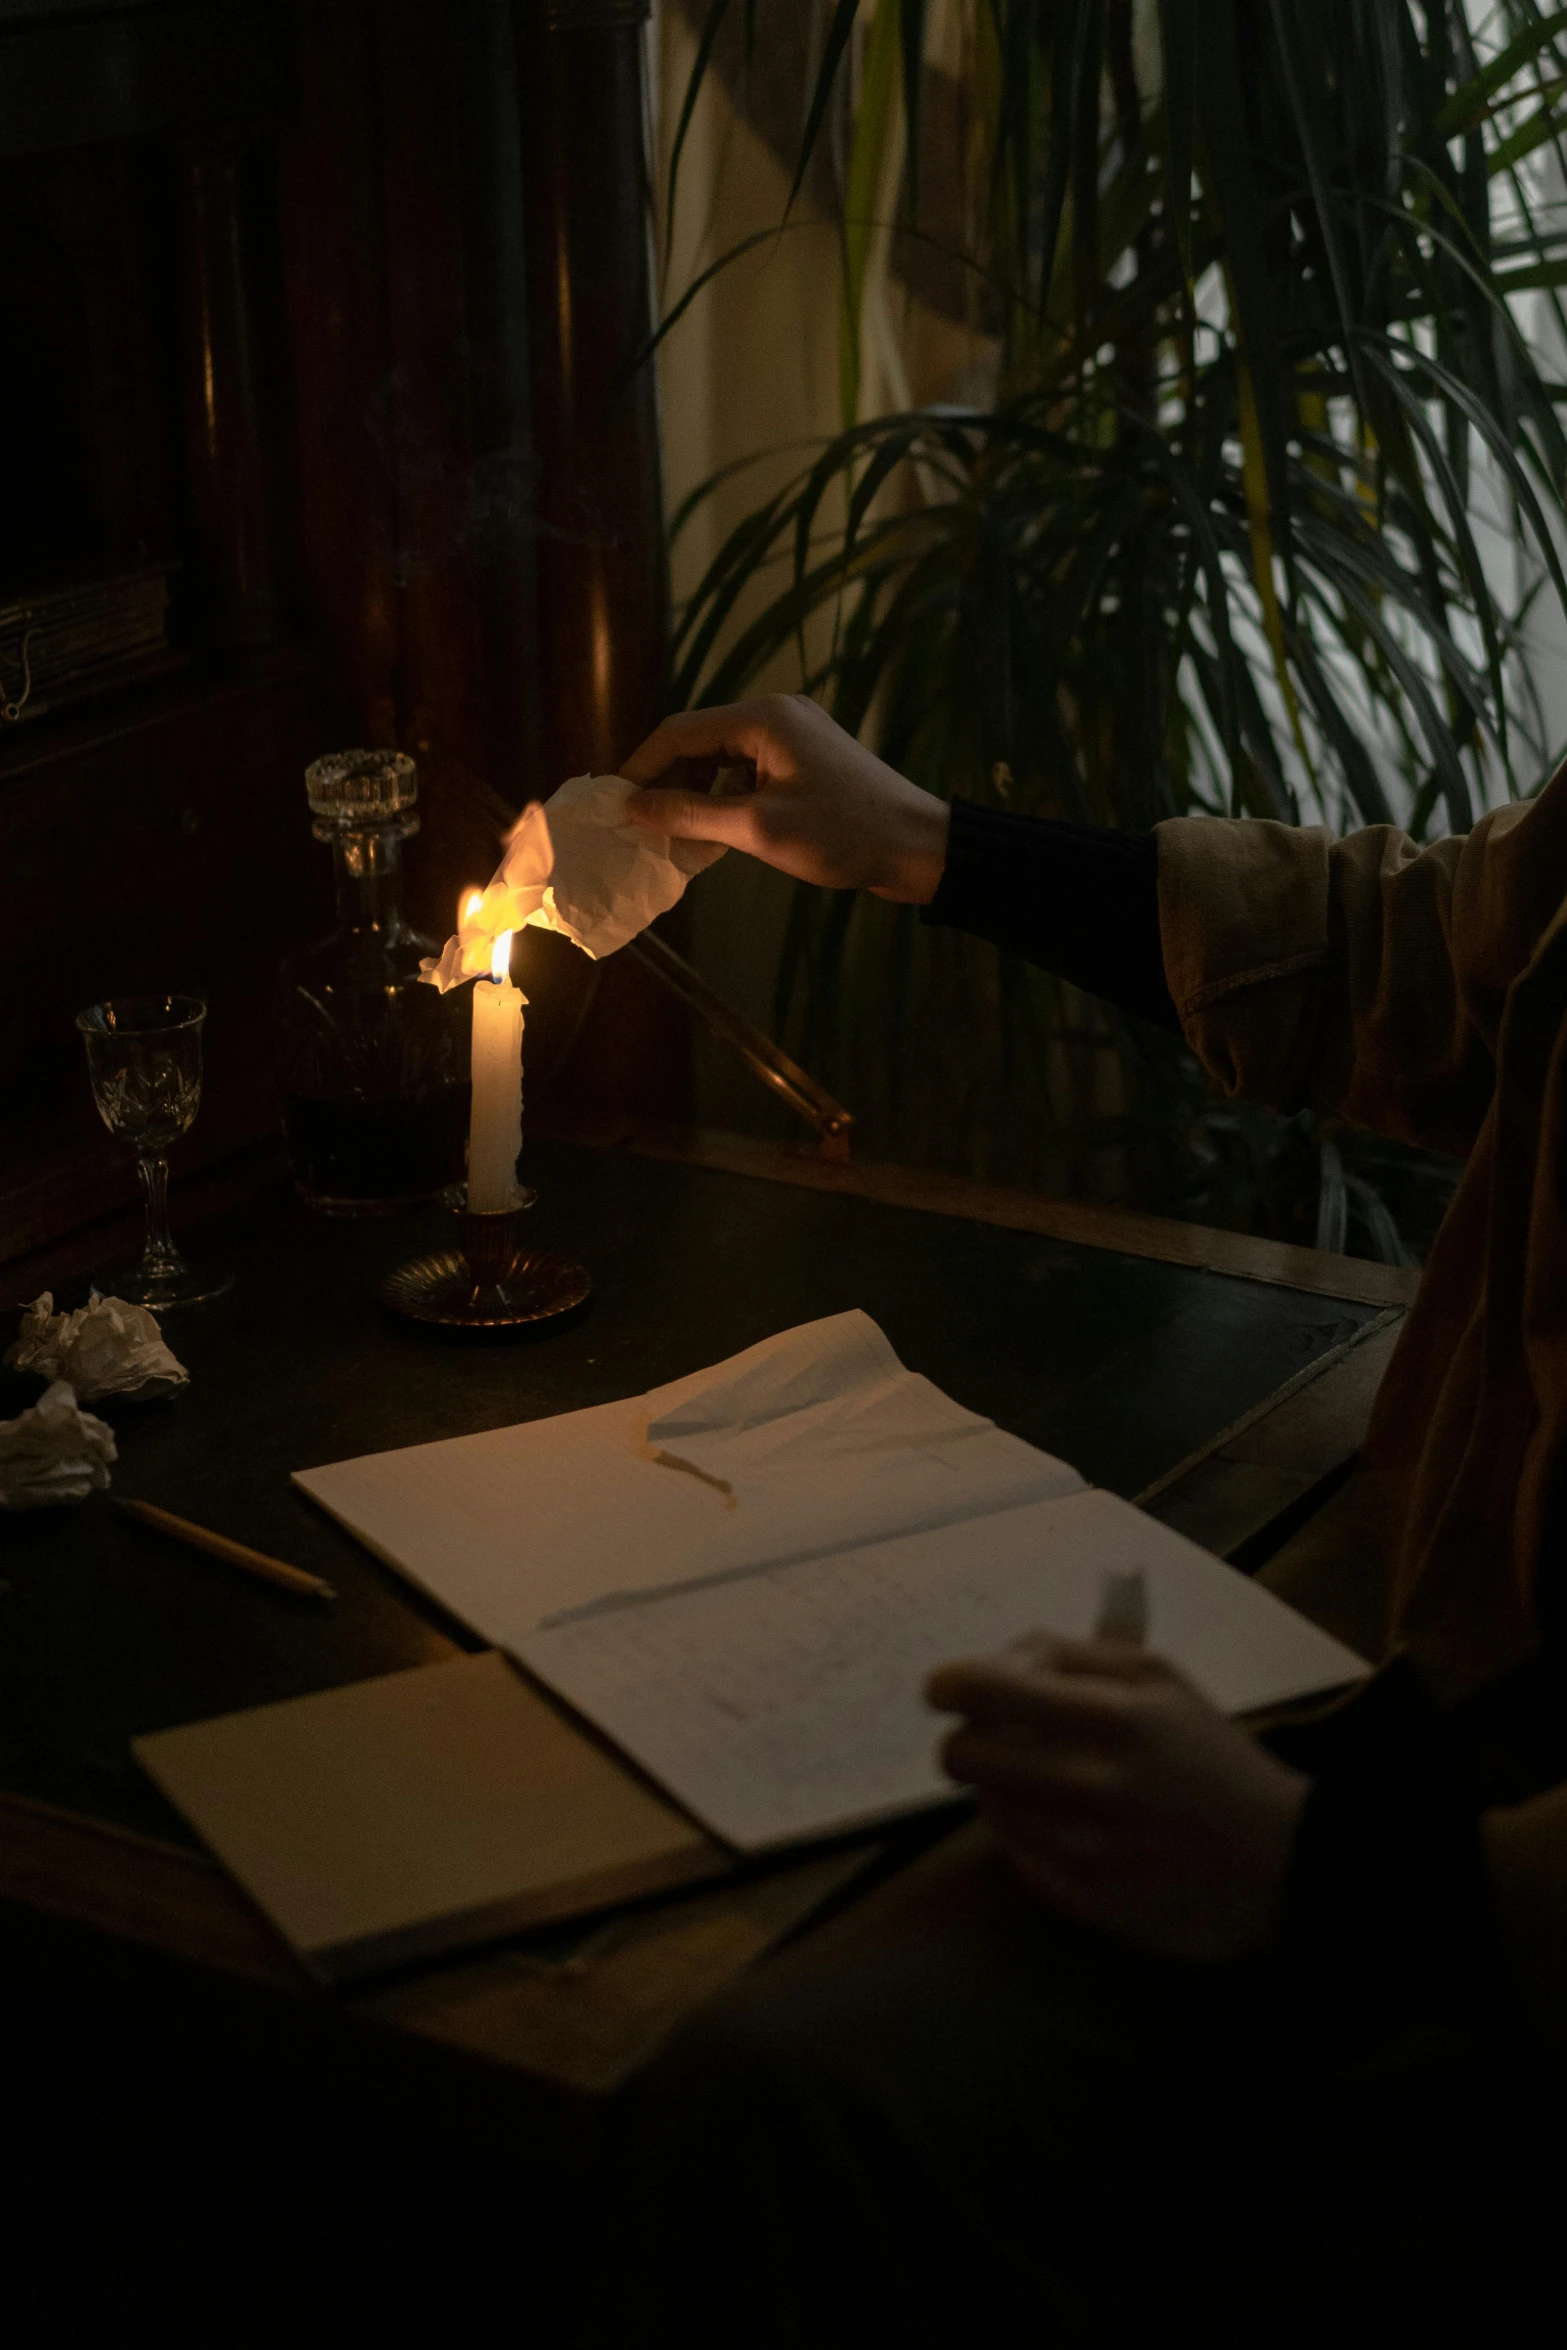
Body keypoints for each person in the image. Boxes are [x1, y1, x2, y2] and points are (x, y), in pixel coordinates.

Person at [579, 696, 1567, 2347]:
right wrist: (921, 843)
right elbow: (1436, 955)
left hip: (1479, 1905)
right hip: (1460, 1736)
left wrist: (1310, 1867)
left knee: (790, 2093)